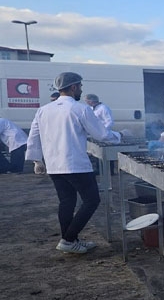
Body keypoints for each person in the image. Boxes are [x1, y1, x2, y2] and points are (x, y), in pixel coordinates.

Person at [25, 72, 123, 254]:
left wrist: (36, 160)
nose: (81, 90)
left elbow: (33, 137)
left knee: (67, 202)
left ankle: (72, 241)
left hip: (54, 165)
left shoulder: (44, 110)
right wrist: (119, 136)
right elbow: (101, 134)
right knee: (92, 201)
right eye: (80, 86)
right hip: (75, 164)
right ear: (73, 87)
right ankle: (68, 239)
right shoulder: (80, 108)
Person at [85, 93, 116, 174]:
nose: (86, 102)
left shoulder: (104, 108)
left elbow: (110, 121)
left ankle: (110, 171)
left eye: (87, 101)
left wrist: (103, 131)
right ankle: (100, 169)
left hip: (105, 134)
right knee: (98, 152)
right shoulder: (92, 108)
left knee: (107, 152)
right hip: (97, 134)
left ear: (91, 101)